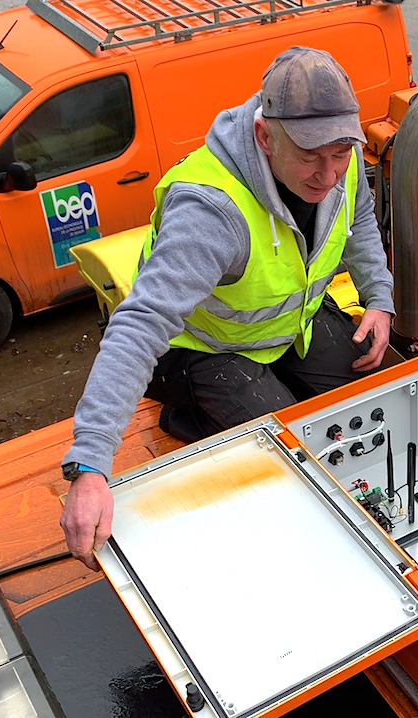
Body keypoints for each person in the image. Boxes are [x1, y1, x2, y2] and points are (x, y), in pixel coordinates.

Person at [58, 47, 394, 570]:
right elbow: (140, 325)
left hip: (286, 328)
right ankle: (186, 413)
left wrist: (379, 297)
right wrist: (91, 464)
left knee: (384, 388)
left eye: (340, 154)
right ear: (265, 136)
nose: (328, 175)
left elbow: (361, 221)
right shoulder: (213, 208)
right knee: (285, 457)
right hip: (201, 349)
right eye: (308, 156)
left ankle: (261, 392)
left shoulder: (340, 163)